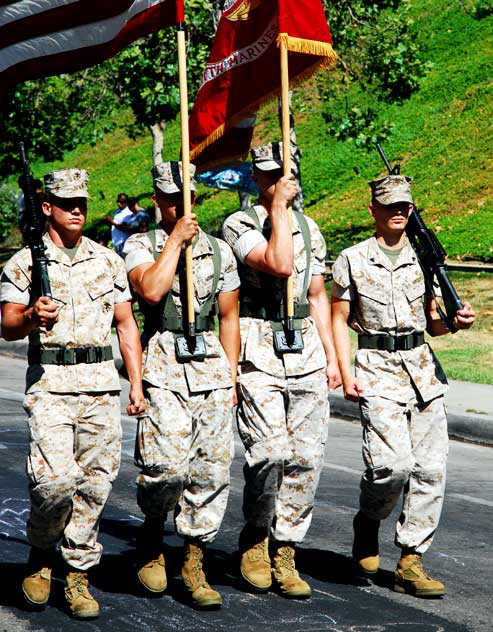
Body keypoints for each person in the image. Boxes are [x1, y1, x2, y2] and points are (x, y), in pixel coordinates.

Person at [0, 168, 146, 619]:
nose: (77, 210)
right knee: (54, 481)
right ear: (48, 208)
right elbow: (6, 326)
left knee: (96, 483)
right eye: (67, 204)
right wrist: (29, 315)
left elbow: (126, 324)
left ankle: (79, 573)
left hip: (101, 384)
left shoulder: (108, 260)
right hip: (51, 385)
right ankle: (42, 552)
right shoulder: (24, 262)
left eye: (82, 202)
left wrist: (135, 384)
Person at [330, 174, 475, 598]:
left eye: (405, 206)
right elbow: (339, 319)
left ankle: (411, 560)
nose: (398, 212)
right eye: (390, 205)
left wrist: (453, 322)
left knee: (431, 469)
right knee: (391, 466)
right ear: (372, 209)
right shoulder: (353, 259)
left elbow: (433, 322)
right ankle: (369, 520)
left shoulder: (424, 259)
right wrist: (345, 370)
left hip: (423, 372)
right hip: (376, 370)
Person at [222, 141, 341, 599]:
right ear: (257, 178)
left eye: (284, 174)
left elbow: (315, 296)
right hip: (259, 345)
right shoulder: (240, 223)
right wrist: (277, 209)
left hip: (305, 348)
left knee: (305, 458)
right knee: (268, 452)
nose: (278, 181)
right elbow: (279, 263)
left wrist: (330, 355)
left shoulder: (311, 228)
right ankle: (256, 534)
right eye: (269, 175)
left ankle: (286, 546)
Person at [122, 161, 240, 609]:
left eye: (186, 197)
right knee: (165, 467)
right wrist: (174, 242)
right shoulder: (140, 245)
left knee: (210, 470)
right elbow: (150, 291)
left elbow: (228, 317)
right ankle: (153, 531)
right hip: (163, 363)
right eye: (172, 198)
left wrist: (230, 377)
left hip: (209, 364)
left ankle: (193, 559)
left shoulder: (220, 251)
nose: (180, 205)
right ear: (158, 201)